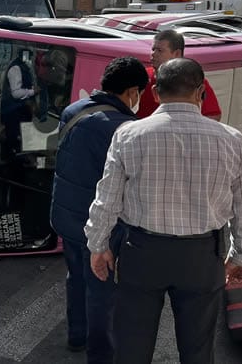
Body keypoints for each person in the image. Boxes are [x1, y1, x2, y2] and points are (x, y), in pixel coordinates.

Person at [85, 58, 242, 364]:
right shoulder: (231, 139)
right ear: (200, 92)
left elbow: (107, 198)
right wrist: (241, 254)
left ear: (155, 90)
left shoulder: (128, 134)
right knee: (197, 349)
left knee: (132, 347)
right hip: (203, 256)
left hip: (142, 252)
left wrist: (98, 245)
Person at [50, 56, 148, 362]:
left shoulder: (73, 111)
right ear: (133, 92)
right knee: (102, 292)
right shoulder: (126, 129)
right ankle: (100, 355)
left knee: (75, 277)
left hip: (65, 214)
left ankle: (76, 336)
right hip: (99, 224)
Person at [138, 29, 221, 121]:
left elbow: (213, 116)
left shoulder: (193, 80)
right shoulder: (141, 76)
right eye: (153, 49)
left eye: (159, 50)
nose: (153, 54)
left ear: (177, 53)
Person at [0, 49, 36, 161]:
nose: (30, 59)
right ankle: (11, 163)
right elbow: (16, 93)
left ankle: (13, 160)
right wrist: (33, 92)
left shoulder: (23, 67)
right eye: (29, 56)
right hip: (13, 111)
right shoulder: (16, 68)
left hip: (18, 110)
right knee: (13, 138)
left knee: (16, 138)